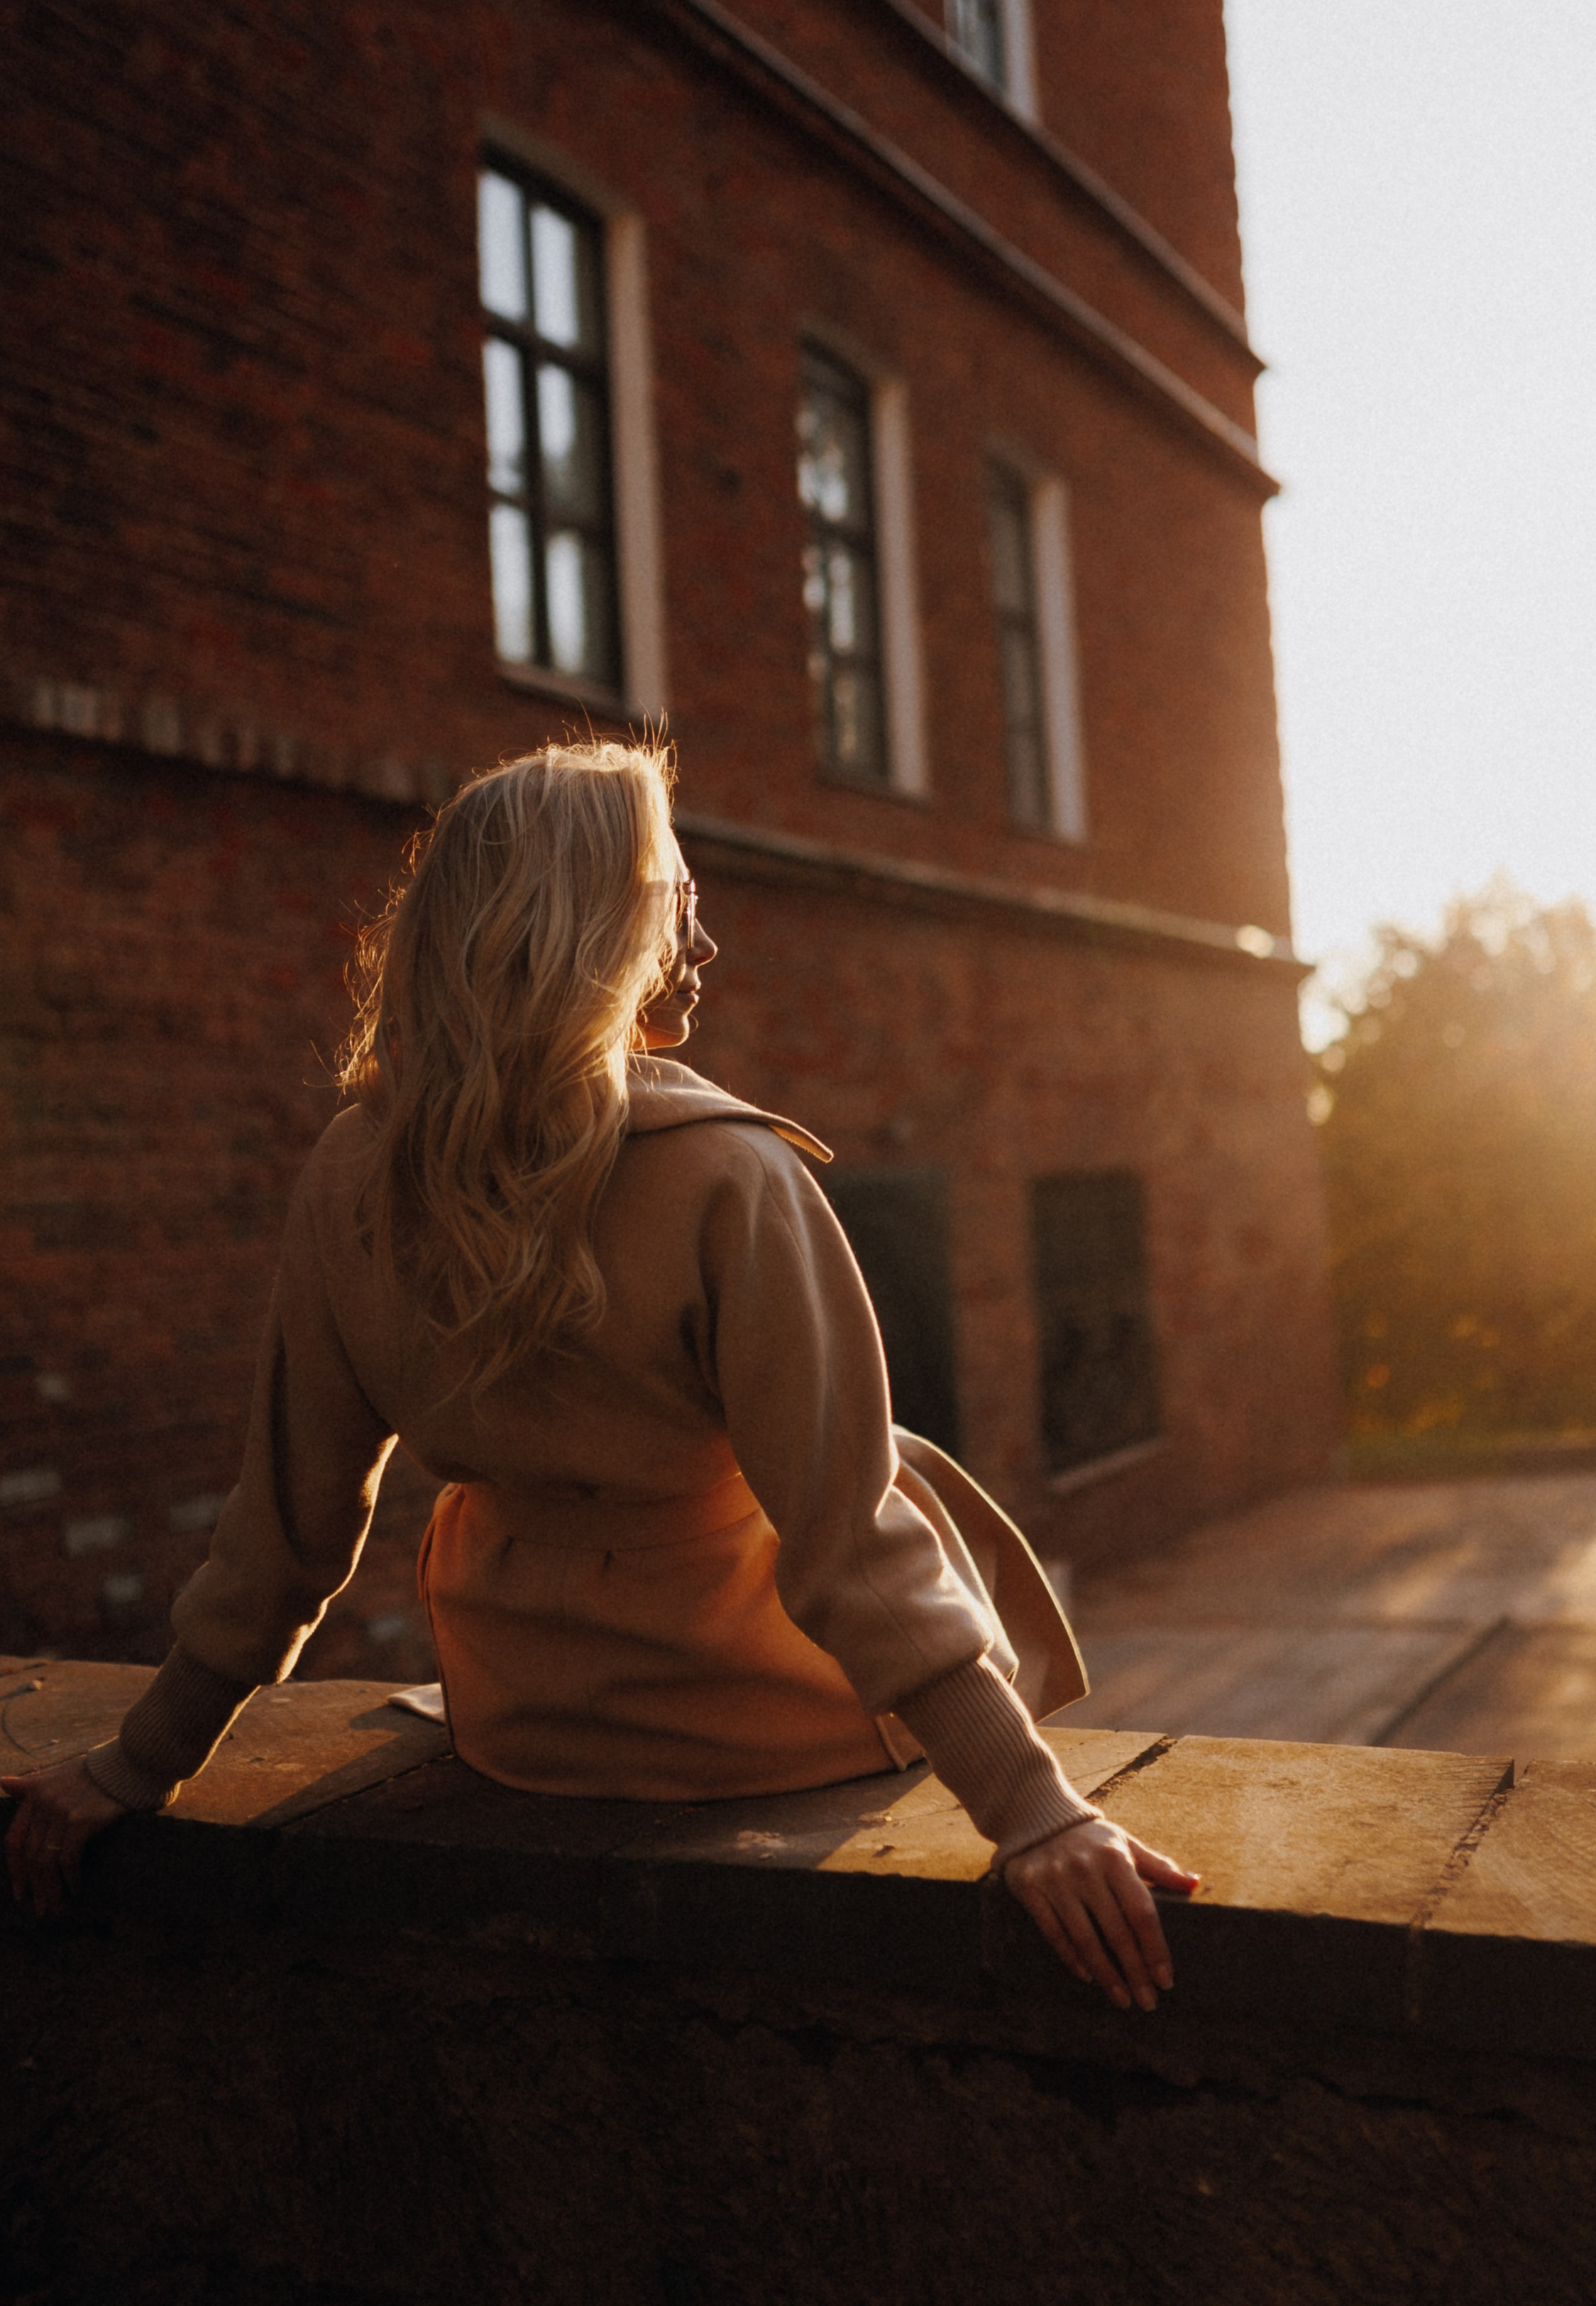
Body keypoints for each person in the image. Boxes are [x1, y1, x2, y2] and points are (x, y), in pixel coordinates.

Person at [3, 743, 1196, 2002]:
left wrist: (134, 1770)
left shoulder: (348, 1174)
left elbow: (281, 1543)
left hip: (529, 1727)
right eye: (677, 900)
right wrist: (1038, 1816)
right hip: (761, 1723)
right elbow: (852, 1545)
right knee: (903, 1478)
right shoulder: (733, 1177)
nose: (706, 941)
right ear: (597, 934)